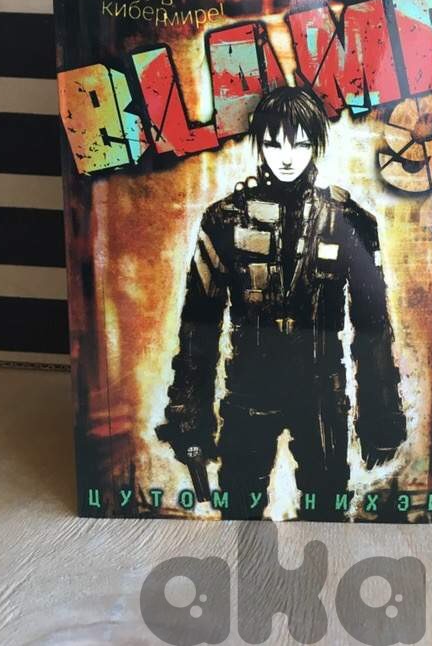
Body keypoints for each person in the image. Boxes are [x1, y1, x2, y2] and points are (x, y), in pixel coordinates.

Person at [157, 86, 406, 520]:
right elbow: (198, 326)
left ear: (315, 144)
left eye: (299, 144)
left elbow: (372, 326)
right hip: (248, 392)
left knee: (326, 511)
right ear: (260, 144)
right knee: (238, 511)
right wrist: (189, 421)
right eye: (274, 144)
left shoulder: (347, 220)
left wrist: (380, 418)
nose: (286, 157)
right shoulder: (226, 219)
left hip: (321, 394)